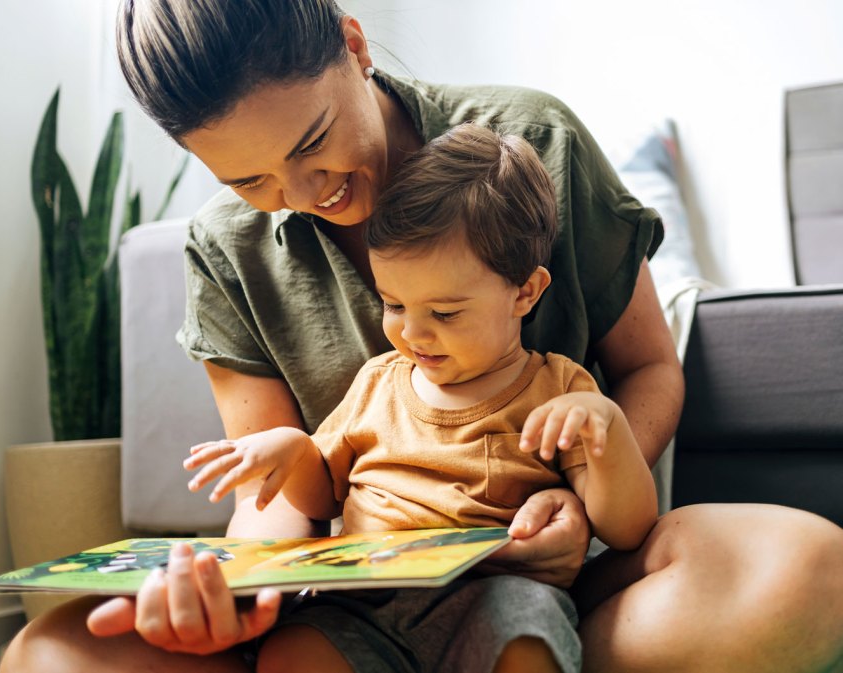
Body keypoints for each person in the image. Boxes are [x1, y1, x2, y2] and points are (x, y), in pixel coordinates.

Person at [1, 1, 843, 672]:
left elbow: (648, 368)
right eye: (250, 177)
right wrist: (243, 589)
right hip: (353, 605)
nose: (305, 191)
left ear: (353, 44)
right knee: (52, 653)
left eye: (313, 142)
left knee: (809, 573)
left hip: (546, 578)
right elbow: (278, 486)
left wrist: (584, 501)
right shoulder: (225, 247)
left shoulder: (532, 142)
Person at [180, 123, 659, 673]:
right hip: (363, 604)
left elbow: (628, 527)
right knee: (293, 651)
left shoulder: (559, 391)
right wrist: (290, 453)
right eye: (394, 304)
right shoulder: (377, 383)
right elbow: (322, 500)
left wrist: (608, 433)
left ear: (525, 292)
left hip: (494, 596)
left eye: (445, 313)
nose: (413, 334)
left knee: (529, 641)